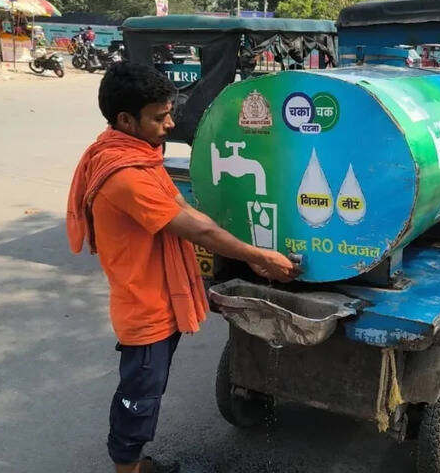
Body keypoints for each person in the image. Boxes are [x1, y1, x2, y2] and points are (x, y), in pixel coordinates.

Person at [66, 62, 298, 473]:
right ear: (125, 119)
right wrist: (259, 256)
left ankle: (137, 463)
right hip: (145, 309)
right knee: (139, 398)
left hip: (157, 300)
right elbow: (198, 229)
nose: (170, 124)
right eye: (159, 117)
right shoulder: (125, 176)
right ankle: (129, 469)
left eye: (170, 113)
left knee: (147, 392)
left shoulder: (137, 155)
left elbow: (180, 204)